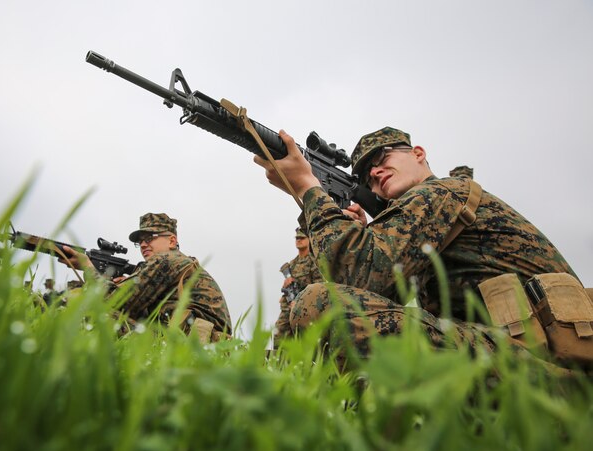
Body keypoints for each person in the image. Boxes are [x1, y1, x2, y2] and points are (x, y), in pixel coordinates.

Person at [254, 126, 579, 362]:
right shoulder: (425, 214)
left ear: (419, 154)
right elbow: (375, 292)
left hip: (546, 364)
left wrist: (308, 188)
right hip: (527, 354)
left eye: (382, 157)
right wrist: (353, 232)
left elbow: (357, 278)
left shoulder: (442, 192)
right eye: (367, 177)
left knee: (322, 306)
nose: (376, 172)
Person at [60, 213, 232, 340]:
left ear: (172, 241)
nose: (143, 244)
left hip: (182, 343)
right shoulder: (183, 263)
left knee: (81, 305)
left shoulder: (166, 259)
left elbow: (114, 302)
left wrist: (88, 267)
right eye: (140, 241)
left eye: (151, 237)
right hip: (200, 343)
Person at [274, 227, 323, 348]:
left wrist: (300, 299)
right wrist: (286, 285)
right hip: (288, 306)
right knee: (280, 336)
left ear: (309, 240)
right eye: (297, 238)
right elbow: (287, 286)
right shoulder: (292, 264)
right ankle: (278, 363)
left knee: (305, 338)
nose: (298, 240)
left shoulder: (314, 262)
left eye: (302, 238)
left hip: (306, 306)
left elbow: (318, 286)